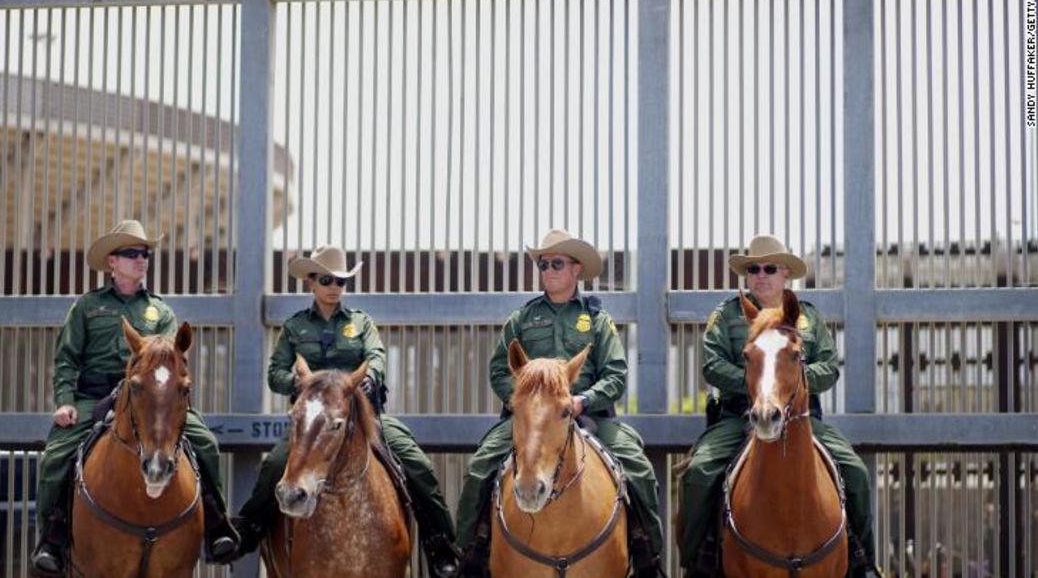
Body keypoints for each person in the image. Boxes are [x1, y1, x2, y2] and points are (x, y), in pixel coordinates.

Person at [230, 245, 460, 578]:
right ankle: (249, 530)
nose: (335, 286)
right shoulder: (295, 327)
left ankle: (441, 545)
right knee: (276, 466)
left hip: (361, 415)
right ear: (311, 282)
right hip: (313, 420)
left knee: (417, 465)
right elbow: (275, 373)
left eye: (341, 280)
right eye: (327, 279)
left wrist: (371, 379)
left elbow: (376, 356)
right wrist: (299, 384)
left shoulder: (360, 323)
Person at [30, 220, 239, 576]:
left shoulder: (160, 312)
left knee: (205, 443)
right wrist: (65, 400)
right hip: (93, 396)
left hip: (150, 397)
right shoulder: (87, 307)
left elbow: (173, 363)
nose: (141, 259)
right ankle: (52, 537)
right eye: (132, 253)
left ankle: (216, 526)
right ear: (112, 261)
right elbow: (66, 359)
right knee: (56, 456)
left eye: (144, 253)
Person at [455, 228, 665, 577]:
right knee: (481, 467)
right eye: (543, 263)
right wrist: (527, 402)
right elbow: (498, 369)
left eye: (556, 263)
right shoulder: (521, 319)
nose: (548, 269)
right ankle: (472, 552)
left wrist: (583, 399)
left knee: (637, 466)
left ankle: (647, 554)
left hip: (588, 414)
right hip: (530, 419)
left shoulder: (598, 320)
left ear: (576, 269)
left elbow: (615, 375)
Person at [678, 234, 878, 577]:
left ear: (785, 272)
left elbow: (828, 367)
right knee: (698, 474)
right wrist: (759, 383)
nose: (761, 274)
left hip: (802, 418)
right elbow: (711, 365)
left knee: (856, 473)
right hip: (737, 416)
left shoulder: (808, 318)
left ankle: (863, 562)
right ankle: (698, 562)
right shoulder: (726, 315)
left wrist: (790, 384)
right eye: (753, 268)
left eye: (770, 268)